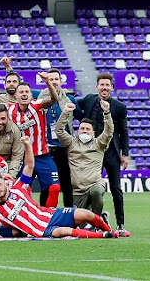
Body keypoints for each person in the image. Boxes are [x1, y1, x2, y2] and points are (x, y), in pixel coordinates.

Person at [0, 137, 128, 239]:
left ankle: (109, 229)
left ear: (5, 184)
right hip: (42, 231)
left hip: (50, 214)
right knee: (66, 232)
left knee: (86, 214)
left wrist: (28, 146)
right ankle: (107, 235)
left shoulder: (18, 188)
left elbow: (30, 165)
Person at [76, 73, 129, 233]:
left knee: (116, 188)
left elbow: (123, 131)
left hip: (111, 152)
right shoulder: (88, 100)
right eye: (102, 85)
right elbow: (74, 107)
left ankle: (120, 224)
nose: (104, 87)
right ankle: (92, 220)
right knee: (90, 188)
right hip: (92, 153)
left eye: (107, 85)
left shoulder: (119, 107)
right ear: (97, 86)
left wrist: (124, 153)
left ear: (112, 88)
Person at [7, 74, 60, 208]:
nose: (24, 94)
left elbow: (54, 98)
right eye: (21, 92)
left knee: (54, 188)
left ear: (31, 95)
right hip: (22, 158)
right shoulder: (8, 110)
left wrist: (48, 82)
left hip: (42, 155)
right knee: (21, 192)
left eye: (27, 92)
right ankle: (27, 219)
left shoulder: (38, 105)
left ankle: (48, 218)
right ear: (16, 96)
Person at [57, 101, 114, 220]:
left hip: (95, 184)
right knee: (79, 224)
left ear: (93, 132)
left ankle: (97, 220)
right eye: (82, 128)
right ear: (78, 130)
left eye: (88, 129)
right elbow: (59, 131)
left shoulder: (99, 144)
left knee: (96, 192)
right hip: (77, 191)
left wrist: (107, 113)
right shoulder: (71, 143)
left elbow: (108, 132)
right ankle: (102, 218)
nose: (84, 131)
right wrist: (66, 112)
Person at [37, 68, 83, 208]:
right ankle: (43, 216)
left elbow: (82, 118)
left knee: (67, 185)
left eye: (56, 79)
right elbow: (19, 90)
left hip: (64, 148)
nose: (54, 82)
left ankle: (69, 215)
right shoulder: (40, 99)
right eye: (50, 79)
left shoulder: (70, 99)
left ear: (61, 81)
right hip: (46, 149)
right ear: (46, 82)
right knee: (47, 186)